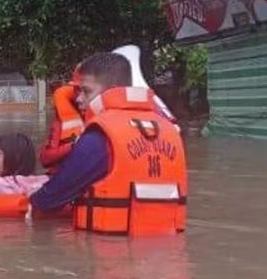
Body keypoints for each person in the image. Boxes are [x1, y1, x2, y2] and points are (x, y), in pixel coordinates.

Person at [29, 52, 188, 236]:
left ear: (111, 90)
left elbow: (49, 200)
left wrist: (30, 200)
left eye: (86, 91)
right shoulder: (169, 131)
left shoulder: (100, 137)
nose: (79, 98)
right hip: (166, 252)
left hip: (109, 255)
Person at [38, 66, 85, 174]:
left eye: (86, 90)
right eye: (77, 89)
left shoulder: (111, 122)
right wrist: (72, 146)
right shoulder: (60, 123)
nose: (80, 97)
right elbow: (45, 159)